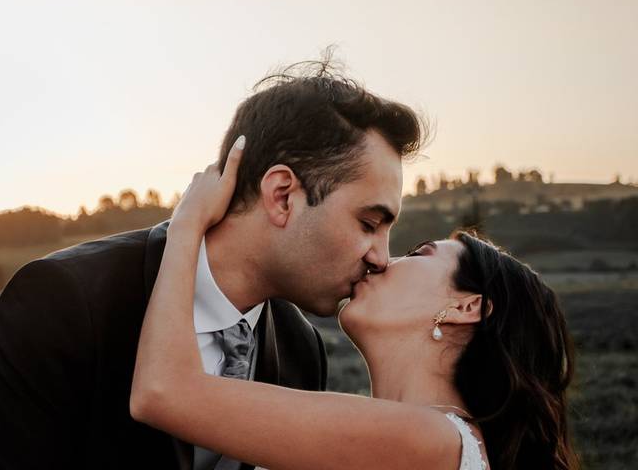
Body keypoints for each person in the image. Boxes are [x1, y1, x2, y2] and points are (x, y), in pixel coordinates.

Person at [0, 60, 426, 469]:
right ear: (282, 196)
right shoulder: (62, 299)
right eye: (369, 223)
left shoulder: (301, 350)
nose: (381, 258)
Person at [131, 140, 578, 470]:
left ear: (468, 307)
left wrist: (187, 223)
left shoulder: (429, 439)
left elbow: (163, 392)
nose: (383, 259)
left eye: (419, 253)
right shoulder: (423, 438)